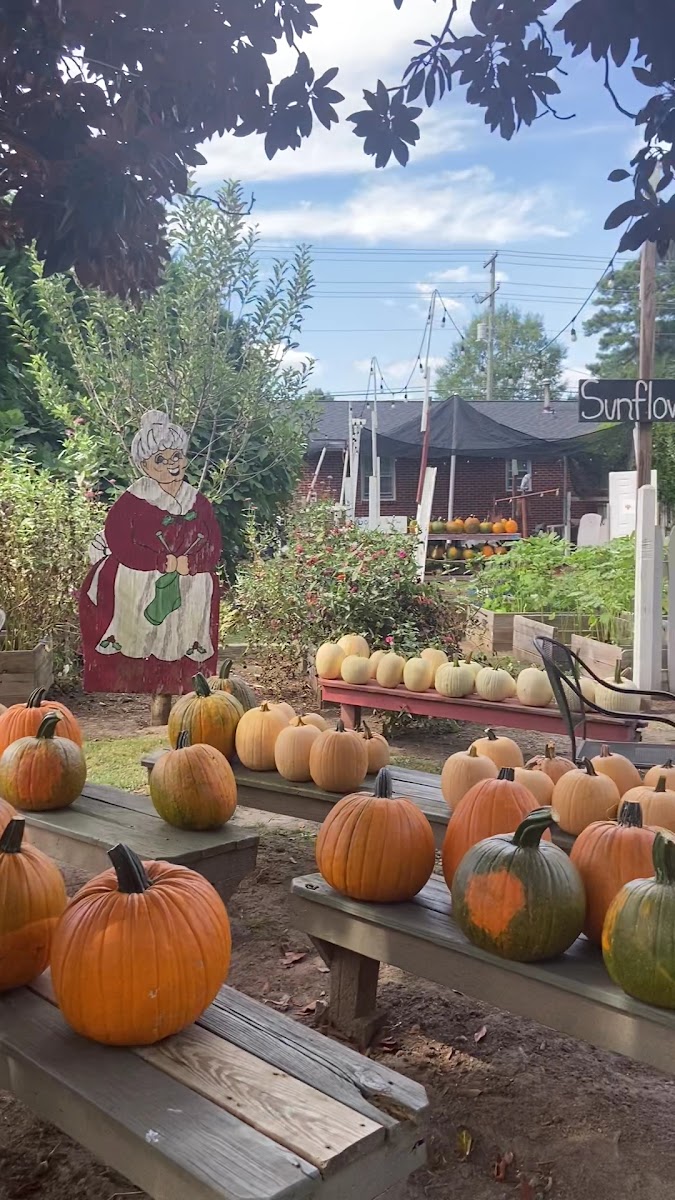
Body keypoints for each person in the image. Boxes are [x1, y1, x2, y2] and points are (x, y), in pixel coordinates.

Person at [79, 410, 221, 694]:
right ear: (144, 465)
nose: (171, 464)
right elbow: (119, 541)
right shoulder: (132, 500)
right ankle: (136, 660)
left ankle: (184, 663)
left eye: (176, 456)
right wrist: (158, 561)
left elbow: (213, 543)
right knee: (131, 586)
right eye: (160, 459)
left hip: (187, 570)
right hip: (139, 568)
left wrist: (193, 563)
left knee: (199, 585)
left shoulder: (197, 502)